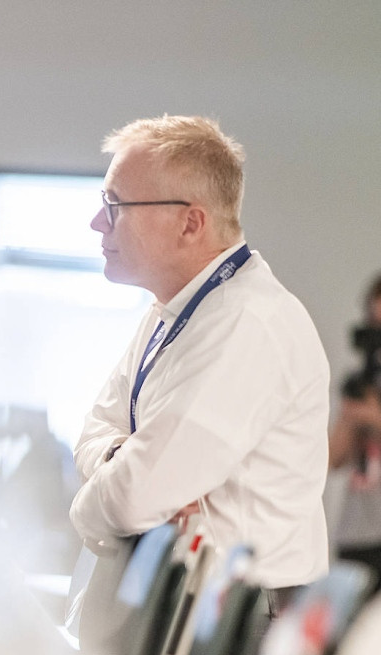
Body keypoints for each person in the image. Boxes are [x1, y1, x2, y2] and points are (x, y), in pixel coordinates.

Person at [69, 116, 329, 597]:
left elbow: (130, 500)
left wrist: (86, 506)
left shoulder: (247, 324)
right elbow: (94, 427)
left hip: (232, 621)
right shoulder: (173, 308)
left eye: (116, 205)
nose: (97, 222)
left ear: (190, 222)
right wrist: (118, 456)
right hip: (176, 601)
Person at [327, 274, 381, 584]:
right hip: (357, 533)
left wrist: (374, 418)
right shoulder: (361, 382)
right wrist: (352, 415)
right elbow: (334, 459)